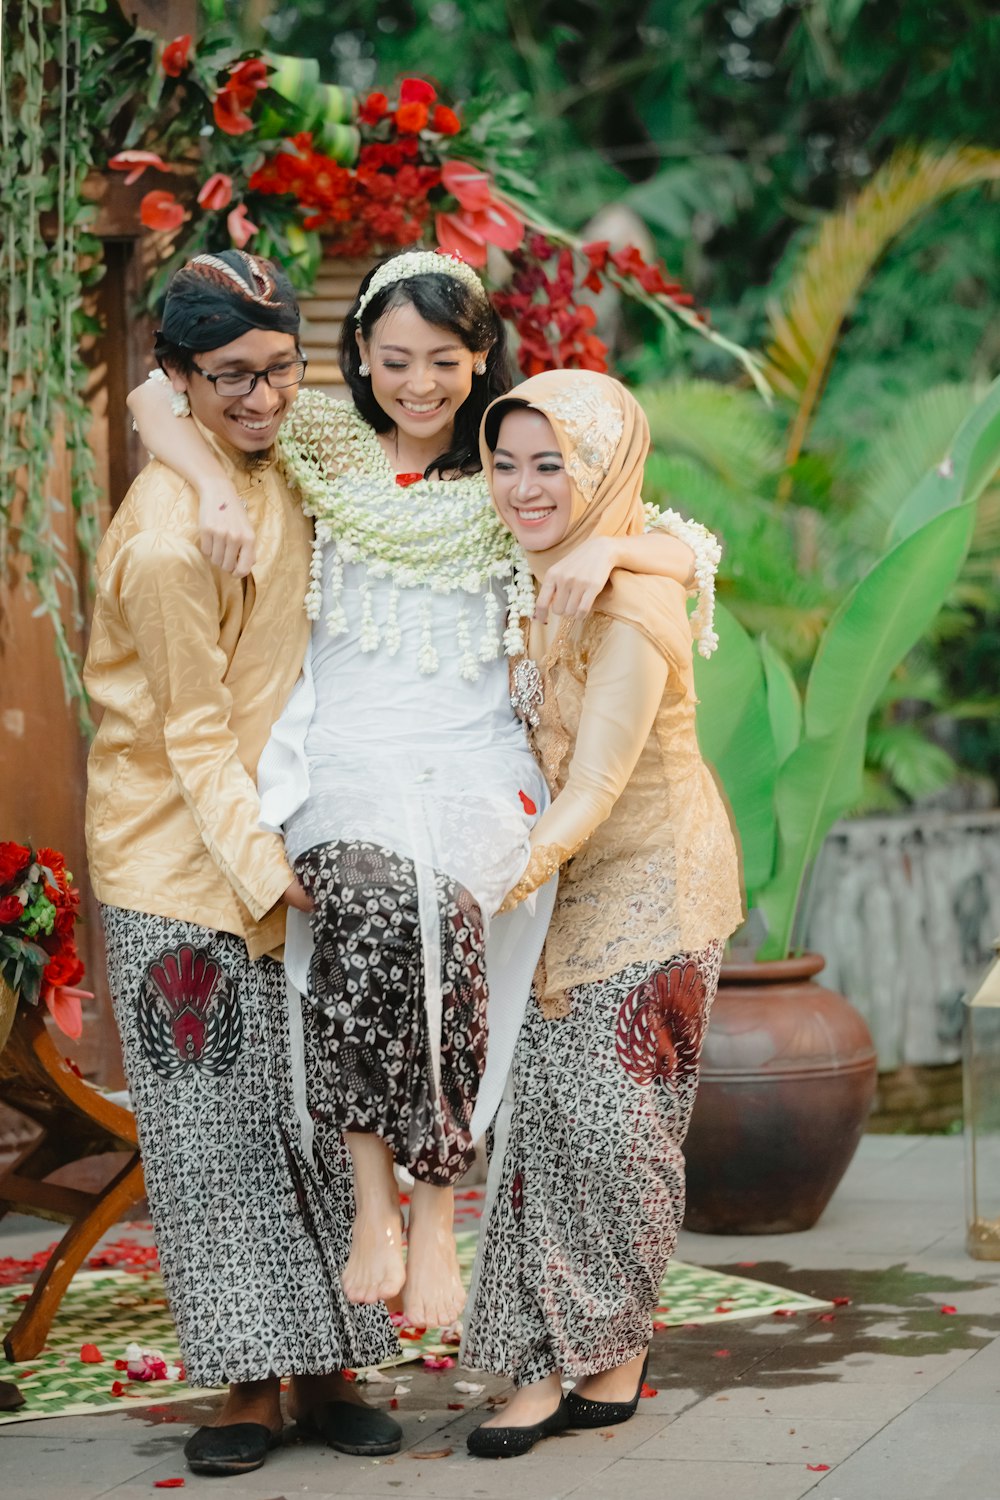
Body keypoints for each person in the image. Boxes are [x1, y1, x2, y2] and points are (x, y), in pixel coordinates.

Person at [128, 248, 704, 1336]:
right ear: (359, 357)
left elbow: (688, 548)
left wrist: (619, 549)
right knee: (369, 901)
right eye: (395, 360)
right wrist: (207, 484)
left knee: (441, 917)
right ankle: (374, 1204)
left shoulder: (513, 474)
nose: (420, 383)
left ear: (481, 357)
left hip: (476, 759)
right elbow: (153, 396)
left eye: (444, 360)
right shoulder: (323, 447)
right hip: (345, 755)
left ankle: (436, 1207)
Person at [86, 249, 403, 1478]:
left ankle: (332, 1367)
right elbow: (190, 736)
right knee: (212, 1134)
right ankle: (244, 1390)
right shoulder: (170, 542)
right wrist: (270, 874)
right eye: (231, 381)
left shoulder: (283, 446)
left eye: (280, 369)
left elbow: (148, 399)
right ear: (183, 374)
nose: (264, 398)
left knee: (322, 1120)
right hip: (180, 862)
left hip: (279, 837)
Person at [461, 371, 744, 1458]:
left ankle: (609, 1355)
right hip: (557, 880)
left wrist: (492, 885)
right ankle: (542, 1359)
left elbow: (593, 790)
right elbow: (678, 536)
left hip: (654, 880)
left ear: (604, 470)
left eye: (553, 464)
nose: (525, 488)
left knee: (617, 1127)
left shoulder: (634, 599)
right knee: (541, 1122)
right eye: (506, 461)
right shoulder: (527, 568)